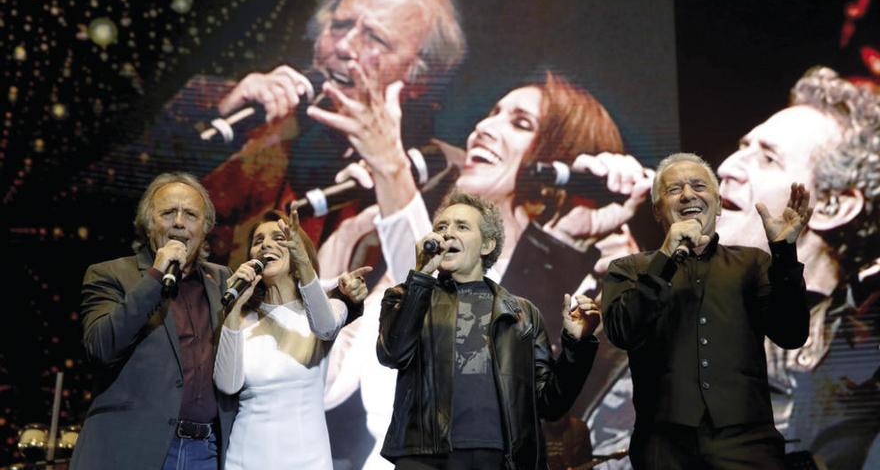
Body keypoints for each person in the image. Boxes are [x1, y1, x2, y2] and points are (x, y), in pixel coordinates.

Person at [313, 71, 652, 466]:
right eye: (492, 113)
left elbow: (471, 355)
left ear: (561, 157)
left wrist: (391, 167)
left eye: (520, 123)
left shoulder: (569, 281)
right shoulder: (409, 259)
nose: (484, 128)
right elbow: (328, 389)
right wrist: (348, 234)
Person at [200, 0, 466, 265]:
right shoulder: (261, 121)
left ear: (421, 78)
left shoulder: (444, 175)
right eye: (340, 26)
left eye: (375, 38)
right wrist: (222, 112)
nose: (344, 46)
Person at [602, 152, 813, 469]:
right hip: (663, 446)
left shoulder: (752, 263)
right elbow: (622, 332)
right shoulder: (629, 268)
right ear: (658, 211)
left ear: (719, 202)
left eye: (699, 186)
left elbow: (791, 334)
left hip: (747, 442)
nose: (688, 194)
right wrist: (664, 257)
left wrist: (784, 254)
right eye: (674, 190)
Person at [716, 66, 880, 469]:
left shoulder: (853, 380)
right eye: (743, 145)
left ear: (830, 206)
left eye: (768, 159)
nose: (727, 166)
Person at [377, 190, 602, 469]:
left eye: (461, 226)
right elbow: (393, 354)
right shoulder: (406, 296)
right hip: (426, 456)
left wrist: (576, 344)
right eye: (441, 227)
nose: (447, 234)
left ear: (487, 245)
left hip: (500, 458)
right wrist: (421, 277)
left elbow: (550, 403)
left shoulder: (522, 313)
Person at [71, 172, 235, 470]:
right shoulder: (109, 274)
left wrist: (345, 301)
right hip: (130, 448)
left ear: (205, 227)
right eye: (168, 213)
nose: (179, 222)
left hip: (205, 452)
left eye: (191, 214)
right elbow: (101, 347)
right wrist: (155, 277)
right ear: (149, 224)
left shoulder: (222, 280)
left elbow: (284, 312)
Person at [213, 209, 368, 469]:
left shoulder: (329, 309)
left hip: (307, 461)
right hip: (244, 460)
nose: (266, 244)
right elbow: (227, 385)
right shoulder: (241, 321)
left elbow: (326, 328)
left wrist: (303, 262)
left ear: (296, 250)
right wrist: (234, 310)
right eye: (258, 240)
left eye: (278, 237)